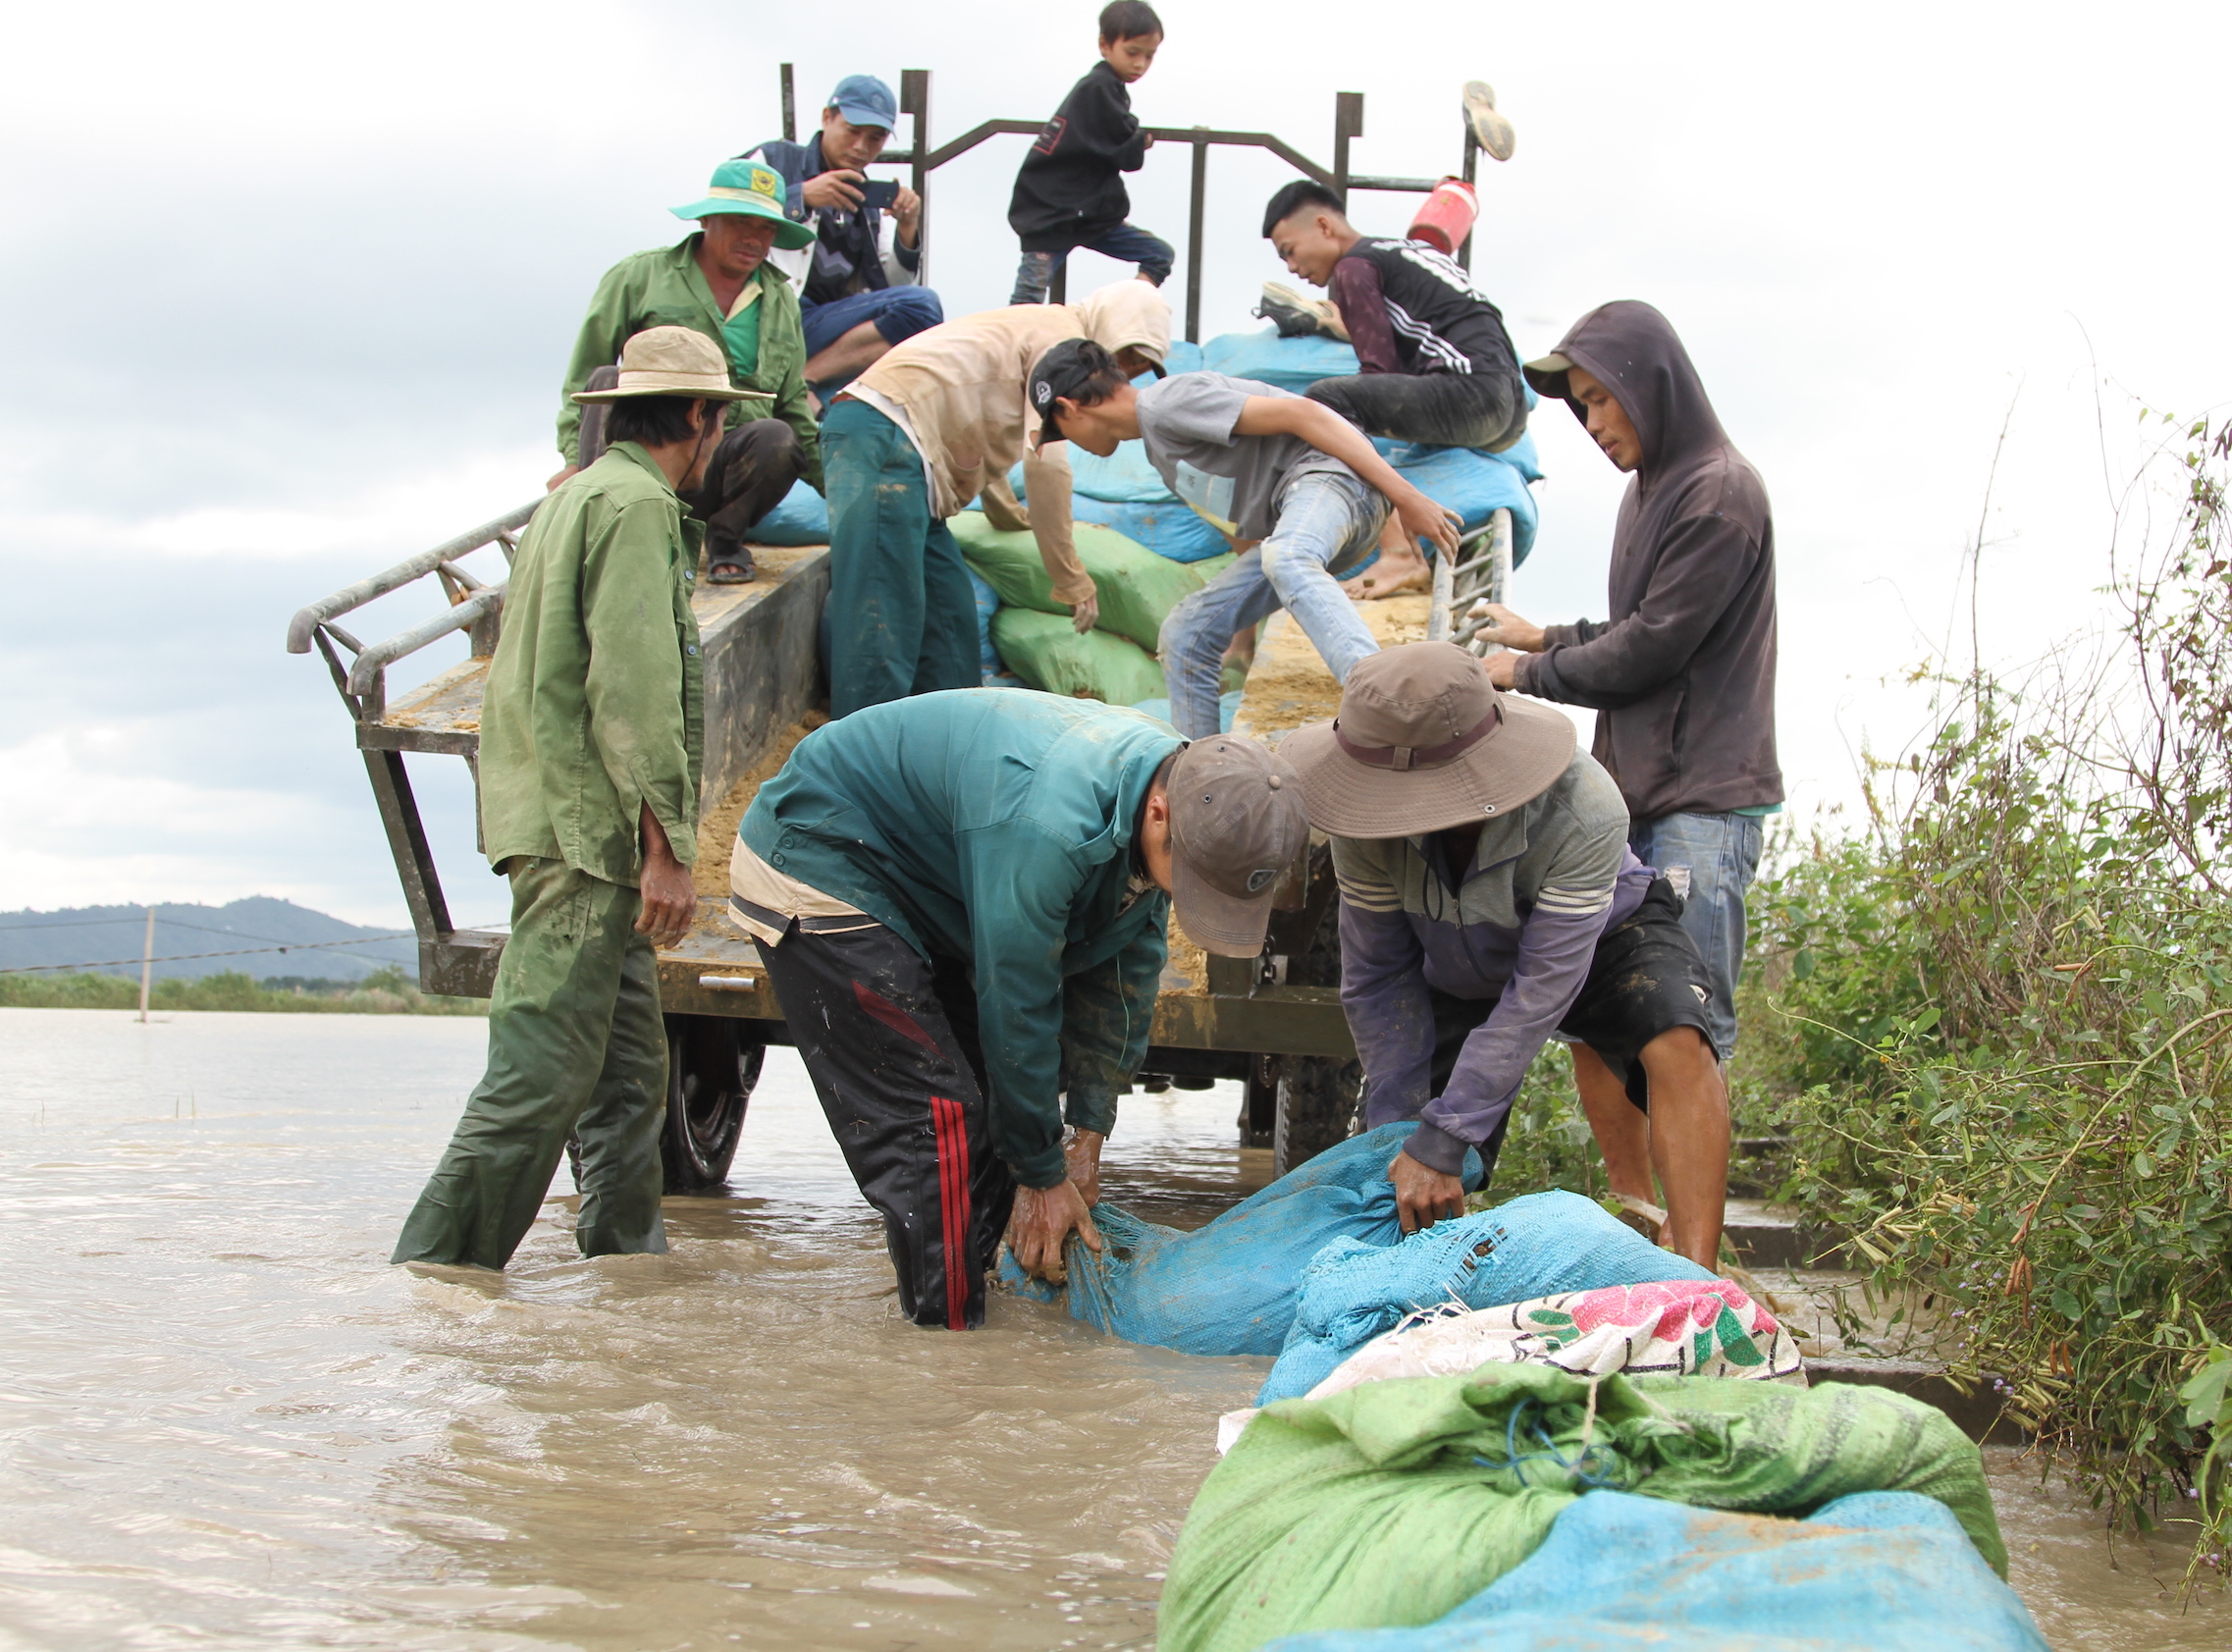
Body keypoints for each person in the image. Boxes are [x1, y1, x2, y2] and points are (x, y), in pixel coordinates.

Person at [730, 691, 1310, 1327]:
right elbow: (1017, 1005)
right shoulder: (1048, 826)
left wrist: (1086, 1134)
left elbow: (1126, 974)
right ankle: (952, 1362)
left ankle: (979, 1291)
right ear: (1158, 812)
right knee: (940, 1122)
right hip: (822, 857)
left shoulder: (1178, 790)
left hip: (938, 885)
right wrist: (1040, 1172)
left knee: (999, 1111)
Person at [394, 329, 752, 1271]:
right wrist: (667, 847)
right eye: (719, 417)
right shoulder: (635, 507)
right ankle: (439, 1275)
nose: (719, 437)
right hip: (590, 839)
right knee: (540, 1075)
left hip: (560, 822)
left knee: (632, 1079)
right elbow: (630, 690)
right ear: (695, 416)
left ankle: (628, 1273)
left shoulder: (575, 501)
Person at [1282, 641, 1730, 1268]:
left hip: (1597, 939)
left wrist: (1451, 1132)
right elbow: (1381, 980)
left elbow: (1541, 991)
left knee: (1676, 1036)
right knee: (1404, 1160)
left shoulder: (1585, 807)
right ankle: (1419, 1279)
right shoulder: (1361, 825)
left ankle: (1697, 1275)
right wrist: (1408, 1139)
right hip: (1454, 963)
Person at [1471, 300, 1780, 1092]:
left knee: (1686, 1026)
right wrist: (1547, 637)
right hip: (1643, 795)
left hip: (1701, 804)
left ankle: (1689, 1221)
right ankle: (1639, 1213)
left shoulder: (1718, 494)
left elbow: (1655, 646)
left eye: (1601, 397)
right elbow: (1642, 622)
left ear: (1652, 383)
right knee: (1604, 1009)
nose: (1591, 421)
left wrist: (1527, 674)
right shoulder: (1652, 489)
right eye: (1580, 406)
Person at [1033, 338, 1461, 739]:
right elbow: (1243, 532)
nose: (1071, 445)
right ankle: (1204, 777)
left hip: (1336, 483)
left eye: (1060, 433)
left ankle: (1389, 704)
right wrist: (1238, 629)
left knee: (1288, 556)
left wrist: (1406, 496)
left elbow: (1306, 414)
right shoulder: (1160, 450)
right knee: (1186, 633)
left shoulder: (1168, 401)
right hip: (1305, 515)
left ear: (1069, 409)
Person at [824, 280, 1170, 718]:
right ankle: (856, 768)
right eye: (1129, 355)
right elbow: (1046, 463)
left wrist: (1007, 512)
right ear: (1112, 328)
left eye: (1141, 366)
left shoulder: (1040, 330)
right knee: (883, 620)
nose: (1129, 372)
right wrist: (1070, 579)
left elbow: (982, 425)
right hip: (883, 435)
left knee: (950, 624)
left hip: (917, 466)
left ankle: (949, 749)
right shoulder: (1062, 340)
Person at [555, 159, 823, 583]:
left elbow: (793, 406)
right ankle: (601, 528)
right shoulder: (639, 275)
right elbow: (584, 378)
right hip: (644, 456)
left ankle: (724, 539)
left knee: (780, 437)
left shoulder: (780, 298)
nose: (754, 238)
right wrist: (574, 461)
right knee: (607, 378)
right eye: (740, 222)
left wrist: (841, 502)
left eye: (767, 229)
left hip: (718, 467)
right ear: (705, 219)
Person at [1259, 178, 1529, 599]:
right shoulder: (1403, 252)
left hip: (1471, 395)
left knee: (1326, 405)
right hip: (1508, 406)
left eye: (1289, 251)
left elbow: (1377, 373)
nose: (1291, 268)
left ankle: (1399, 554)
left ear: (1325, 226)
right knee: (1349, 405)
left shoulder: (1353, 269)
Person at [739, 74, 943, 396]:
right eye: (852, 131)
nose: (861, 147)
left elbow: (894, 288)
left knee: (923, 312)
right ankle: (809, 390)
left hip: (818, 325)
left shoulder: (869, 203)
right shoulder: (774, 160)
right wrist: (800, 197)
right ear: (826, 118)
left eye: (875, 138)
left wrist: (907, 228)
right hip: (760, 315)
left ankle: (806, 379)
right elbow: (724, 210)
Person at [1007, 2, 1173, 304]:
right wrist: (1139, 139)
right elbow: (1125, 150)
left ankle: (1127, 309)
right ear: (1104, 45)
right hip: (1053, 217)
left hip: (1085, 216)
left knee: (1159, 255)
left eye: (1149, 56)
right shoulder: (1098, 88)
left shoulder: (1108, 88)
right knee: (1027, 297)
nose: (1140, 64)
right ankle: (1010, 348)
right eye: (1132, 52)